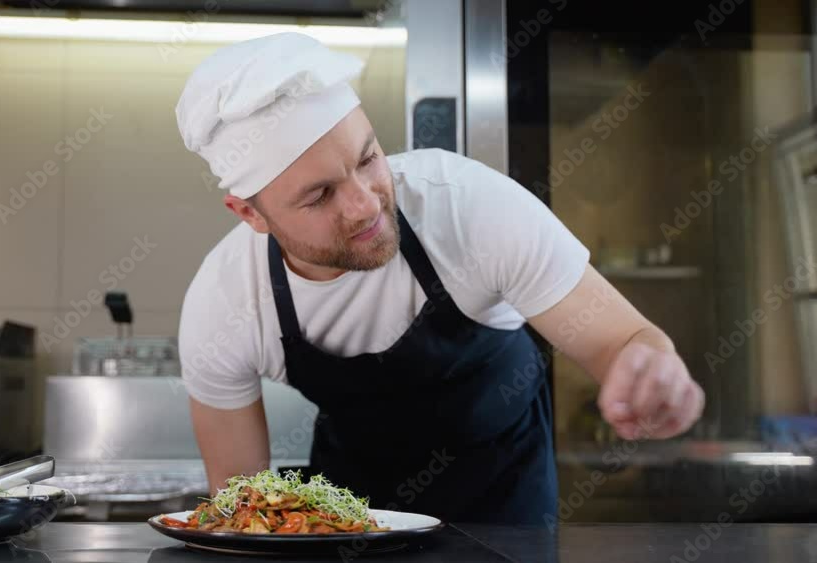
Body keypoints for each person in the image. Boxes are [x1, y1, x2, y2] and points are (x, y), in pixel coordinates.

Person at [173, 32, 704, 524]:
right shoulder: (227, 303)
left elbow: (625, 341)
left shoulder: (466, 208)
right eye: (319, 195)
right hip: (351, 521)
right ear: (250, 214)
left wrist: (654, 367)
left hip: (506, 508)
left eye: (368, 158)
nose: (364, 206)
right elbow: (241, 510)